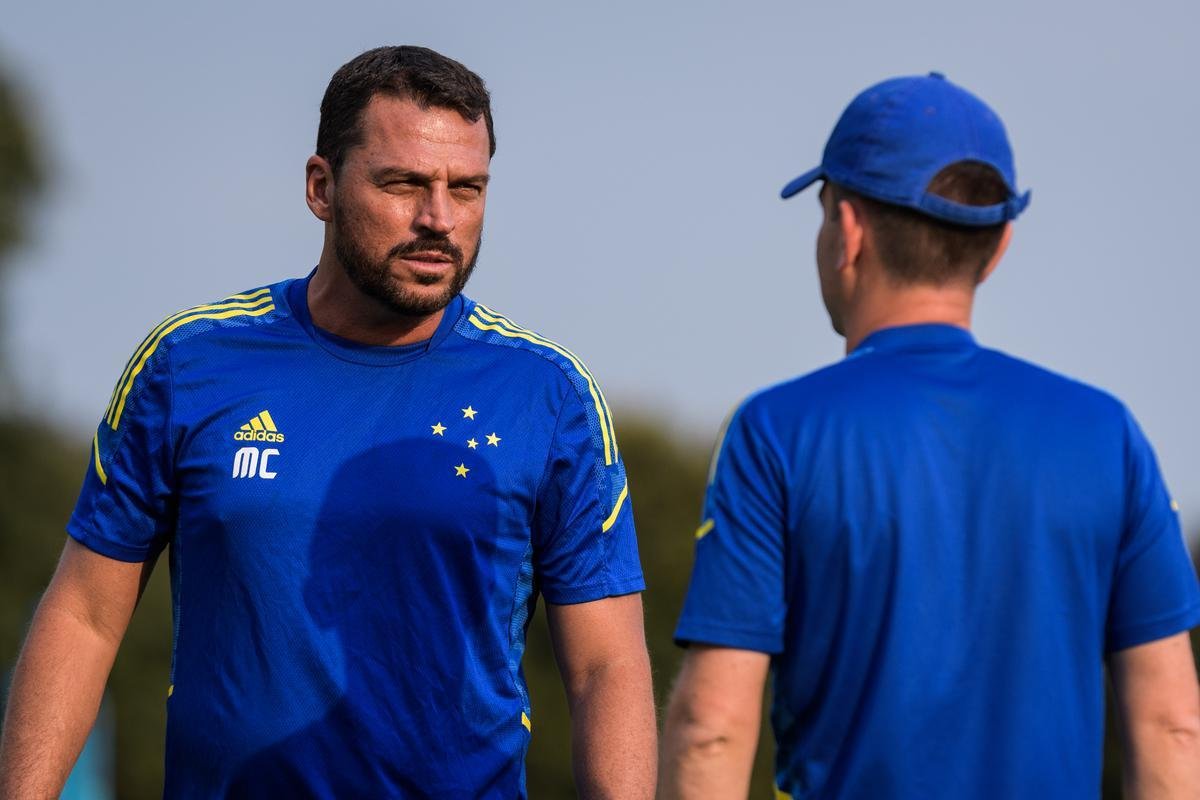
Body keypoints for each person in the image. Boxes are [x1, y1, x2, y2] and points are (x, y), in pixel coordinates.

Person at [0, 46, 655, 798]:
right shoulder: (190, 364)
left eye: (466, 188)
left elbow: (606, 668)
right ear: (321, 187)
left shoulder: (549, 396)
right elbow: (83, 616)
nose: (439, 219)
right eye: (403, 183)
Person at [660, 73, 1200, 799]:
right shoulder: (1107, 434)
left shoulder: (776, 432)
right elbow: (1172, 726)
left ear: (849, 231)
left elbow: (712, 729)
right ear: (999, 245)